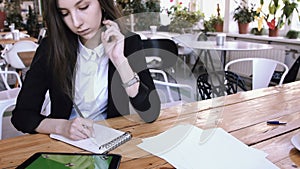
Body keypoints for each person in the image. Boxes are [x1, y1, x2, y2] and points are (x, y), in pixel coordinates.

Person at [11, 0, 160, 140]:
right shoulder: (51, 48)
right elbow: (22, 115)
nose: (76, 23)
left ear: (101, 3)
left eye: (83, 7)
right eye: (65, 13)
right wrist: (62, 127)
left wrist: (120, 60)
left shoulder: (128, 42)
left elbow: (150, 113)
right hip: (64, 144)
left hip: (110, 140)